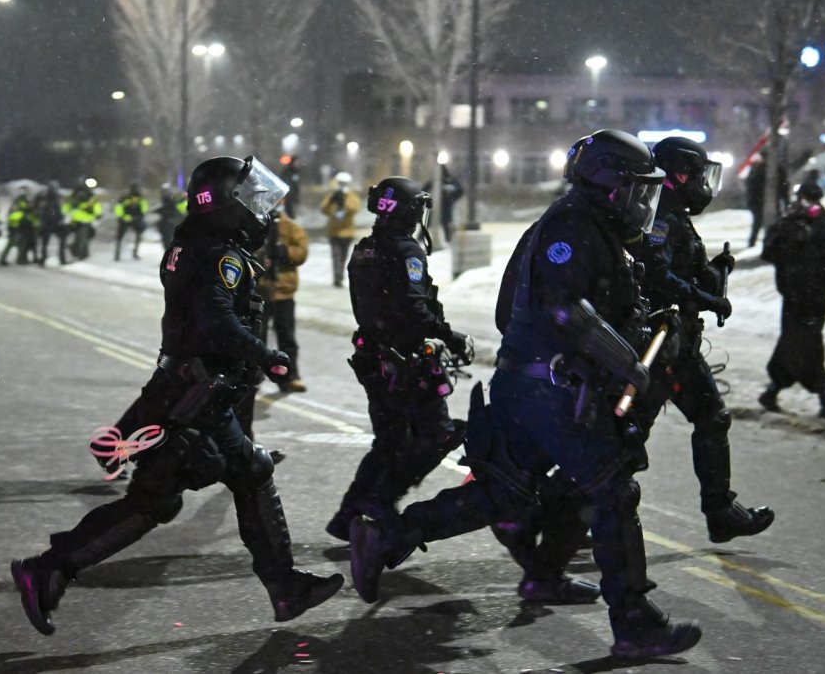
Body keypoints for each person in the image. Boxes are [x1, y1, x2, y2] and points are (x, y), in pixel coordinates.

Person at [349, 129, 702, 659]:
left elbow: (603, 304)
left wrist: (654, 324)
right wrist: (628, 362)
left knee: (505, 494)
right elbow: (566, 309)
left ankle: (392, 535)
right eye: (636, 189)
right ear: (608, 184)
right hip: (548, 389)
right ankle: (634, 623)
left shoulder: (595, 227)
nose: (643, 203)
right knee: (612, 490)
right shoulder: (572, 226)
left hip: (538, 386)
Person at [11, 156, 343, 636]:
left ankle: (52, 569)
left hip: (185, 388)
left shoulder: (195, 243)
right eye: (250, 200)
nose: (261, 210)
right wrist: (265, 355)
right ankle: (285, 587)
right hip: (198, 393)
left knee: (157, 499)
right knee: (241, 475)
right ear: (228, 204)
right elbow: (215, 317)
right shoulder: (219, 255)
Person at [628, 136, 774, 543]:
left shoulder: (673, 213)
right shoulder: (658, 215)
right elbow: (658, 277)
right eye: (696, 173)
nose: (701, 183)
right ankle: (570, 512)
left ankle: (720, 511)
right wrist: (705, 297)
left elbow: (682, 270)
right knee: (627, 436)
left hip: (680, 347)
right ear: (677, 173)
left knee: (712, 417)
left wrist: (713, 271)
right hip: (657, 346)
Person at [325, 176, 473, 541]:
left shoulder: (363, 249)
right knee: (438, 435)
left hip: (374, 358)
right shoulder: (406, 251)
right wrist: (450, 336)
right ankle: (381, 499)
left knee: (390, 439)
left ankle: (349, 513)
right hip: (405, 361)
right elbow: (413, 308)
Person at [759, 183, 825, 420]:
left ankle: (777, 390)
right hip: (794, 294)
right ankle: (819, 395)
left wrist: (813, 233)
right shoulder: (787, 222)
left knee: (806, 340)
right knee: (799, 341)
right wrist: (788, 232)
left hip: (816, 294)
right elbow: (769, 252)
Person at [255, 205, 309, 393]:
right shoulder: (257, 223)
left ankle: (289, 376)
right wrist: (261, 258)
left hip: (283, 292)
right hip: (260, 291)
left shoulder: (291, 227)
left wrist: (284, 252)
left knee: (287, 338)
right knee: (257, 338)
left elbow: (302, 253)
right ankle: (255, 374)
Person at [320, 172, 361, 287]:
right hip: (334, 232)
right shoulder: (332, 195)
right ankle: (337, 277)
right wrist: (332, 200)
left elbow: (354, 208)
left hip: (347, 232)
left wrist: (344, 201)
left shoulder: (351, 196)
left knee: (343, 256)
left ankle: (340, 275)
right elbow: (324, 209)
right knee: (336, 256)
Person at [422, 164, 464, 242]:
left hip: (444, 206)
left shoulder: (448, 181)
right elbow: (423, 190)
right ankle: (448, 240)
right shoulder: (442, 181)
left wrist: (451, 197)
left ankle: (448, 240)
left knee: (443, 224)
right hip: (439, 206)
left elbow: (460, 191)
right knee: (439, 223)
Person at [0, 186, 34, 266]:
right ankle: (3, 259)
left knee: (21, 244)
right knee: (12, 243)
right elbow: (14, 213)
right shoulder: (18, 201)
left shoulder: (25, 201)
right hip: (15, 226)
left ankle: (20, 259)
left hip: (22, 226)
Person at [35, 181, 68, 266]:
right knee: (56, 241)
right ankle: (61, 259)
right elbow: (55, 211)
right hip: (51, 223)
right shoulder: (51, 198)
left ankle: (44, 259)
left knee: (45, 243)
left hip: (48, 223)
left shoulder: (45, 197)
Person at [114, 183, 149, 261]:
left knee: (134, 236)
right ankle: (118, 254)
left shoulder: (139, 198)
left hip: (132, 220)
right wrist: (121, 217)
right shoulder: (126, 198)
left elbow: (144, 208)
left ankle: (130, 253)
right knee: (121, 237)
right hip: (127, 220)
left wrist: (121, 216)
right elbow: (118, 207)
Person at [66, 183, 100, 260]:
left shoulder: (90, 197)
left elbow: (96, 207)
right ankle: (81, 254)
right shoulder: (80, 197)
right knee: (82, 238)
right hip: (80, 221)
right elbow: (73, 207)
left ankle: (80, 253)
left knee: (83, 238)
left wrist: (97, 214)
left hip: (85, 220)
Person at [154, 183, 186, 249]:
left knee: (169, 242)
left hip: (171, 224)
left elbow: (178, 212)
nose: (164, 193)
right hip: (167, 225)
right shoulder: (167, 201)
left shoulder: (172, 201)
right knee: (167, 242)